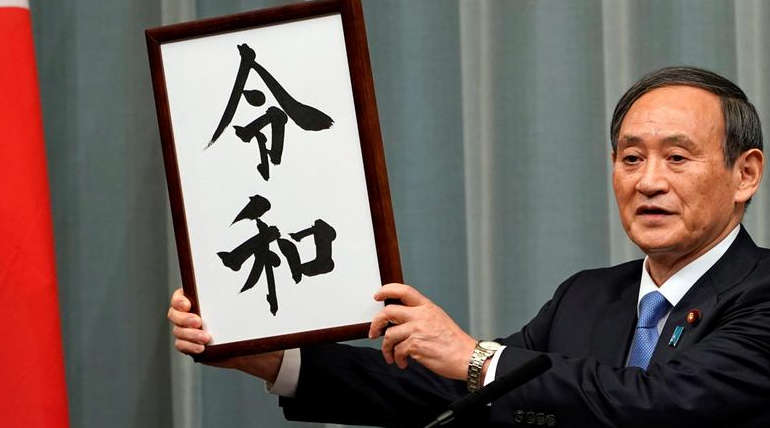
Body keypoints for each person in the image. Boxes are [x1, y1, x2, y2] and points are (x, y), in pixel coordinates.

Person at [167, 66, 770, 427]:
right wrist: (273, 357)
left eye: (677, 158)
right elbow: (457, 390)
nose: (648, 181)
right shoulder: (587, 297)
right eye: (631, 158)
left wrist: (475, 356)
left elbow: (658, 406)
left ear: (745, 174)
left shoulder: (761, 293)